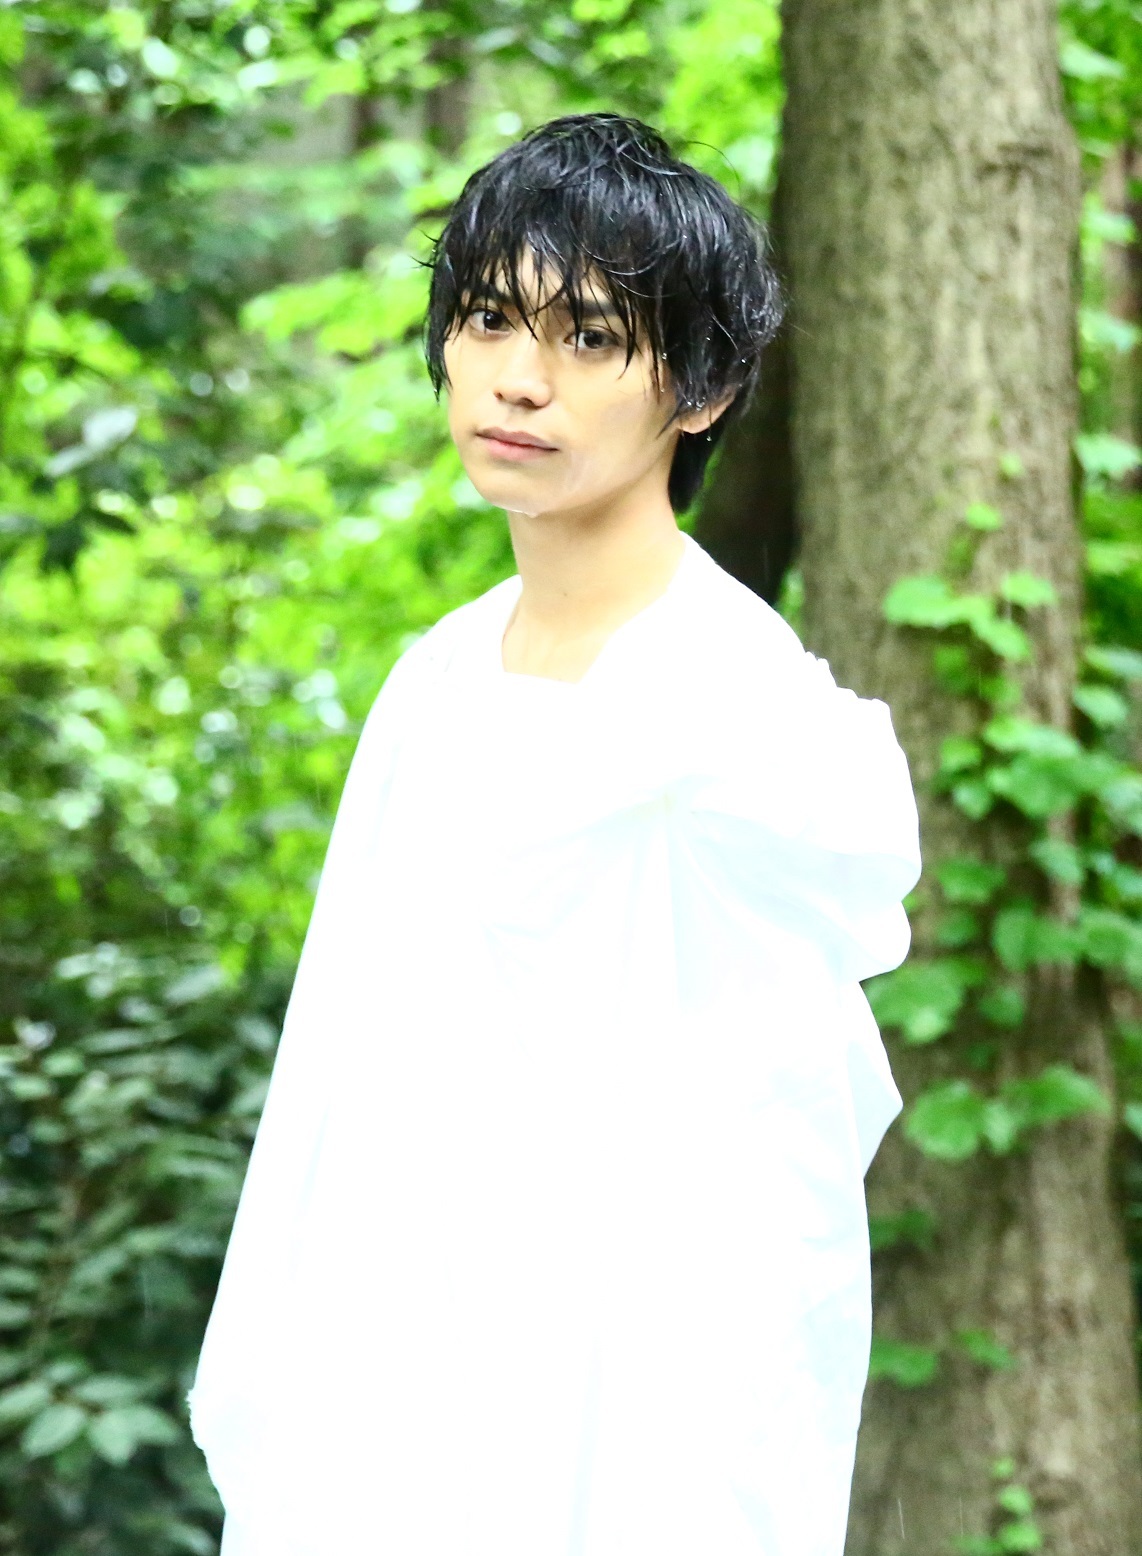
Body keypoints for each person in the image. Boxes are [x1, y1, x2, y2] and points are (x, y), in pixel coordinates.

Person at [188, 112, 921, 1556]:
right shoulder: (440, 677)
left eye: (588, 337)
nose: (519, 379)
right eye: (485, 320)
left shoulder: (738, 704)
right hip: (406, 1378)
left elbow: (830, 946)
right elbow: (347, 1055)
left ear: (702, 388)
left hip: (633, 1415)